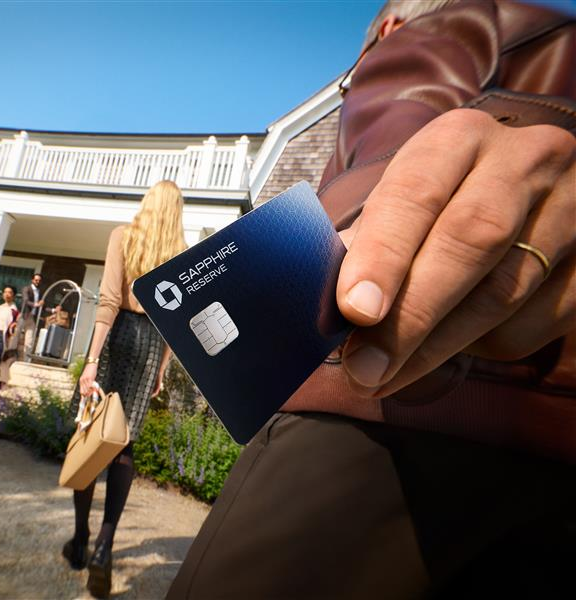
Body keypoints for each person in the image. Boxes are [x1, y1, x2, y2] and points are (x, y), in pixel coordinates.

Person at [168, 1, 575, 598]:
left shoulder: (452, 23)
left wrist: (366, 235)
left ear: (385, 29)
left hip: (382, 418)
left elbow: (400, 132)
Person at [62, 180, 186, 598]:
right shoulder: (180, 253)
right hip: (151, 342)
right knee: (122, 446)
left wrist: (92, 359)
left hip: (117, 337)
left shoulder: (123, 236)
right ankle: (104, 546)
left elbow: (110, 299)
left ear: (148, 203)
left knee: (90, 435)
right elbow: (174, 319)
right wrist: (161, 370)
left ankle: (80, 539)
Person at [19, 273, 44, 360]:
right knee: (15, 338)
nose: (37, 282)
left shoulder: (40, 292)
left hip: (32, 318)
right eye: (36, 280)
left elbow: (43, 306)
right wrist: (35, 304)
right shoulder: (26, 289)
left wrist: (53, 310)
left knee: (29, 341)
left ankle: (26, 360)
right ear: (32, 280)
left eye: (39, 280)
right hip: (23, 316)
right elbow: (26, 300)